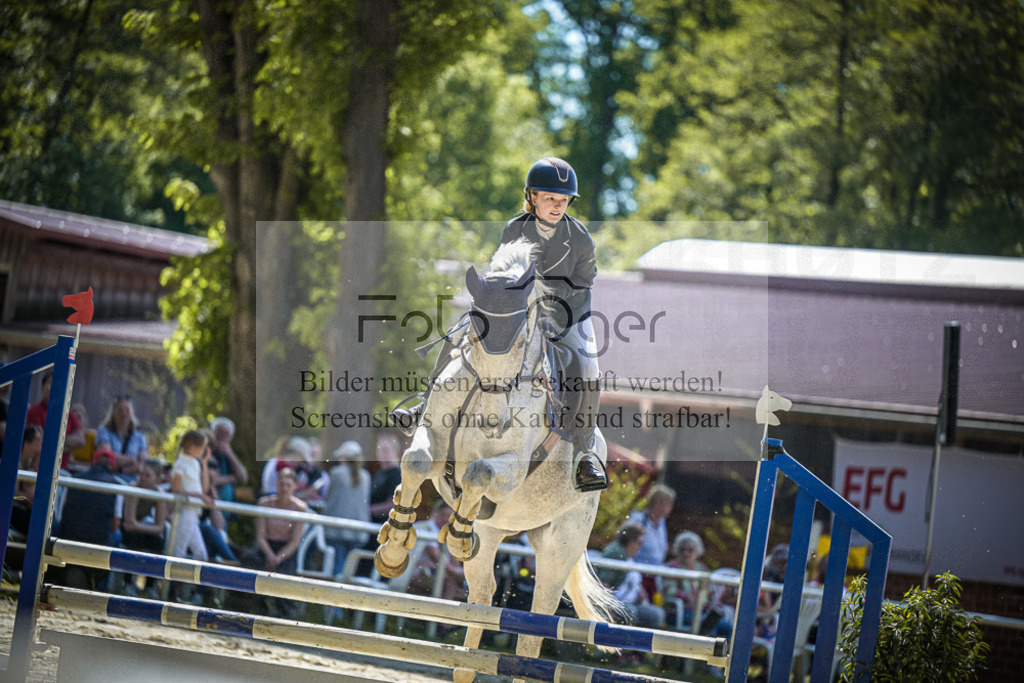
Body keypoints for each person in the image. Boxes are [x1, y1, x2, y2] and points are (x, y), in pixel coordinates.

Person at [392, 158, 606, 492]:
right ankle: (425, 404)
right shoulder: (514, 228)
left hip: (568, 313)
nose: (558, 206)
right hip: (518, 308)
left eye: (563, 200)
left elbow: (583, 282)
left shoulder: (580, 237)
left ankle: (584, 453)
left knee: (587, 366)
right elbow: (503, 270)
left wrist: (542, 299)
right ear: (532, 197)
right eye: (550, 198)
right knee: (460, 332)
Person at [57, 449, 122, 590]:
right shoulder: (118, 487)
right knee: (117, 535)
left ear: (92, 463)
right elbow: (115, 526)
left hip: (68, 540)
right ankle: (101, 585)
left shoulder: (74, 479)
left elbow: (60, 516)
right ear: (112, 467)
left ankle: (68, 574)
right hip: (98, 545)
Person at [254, 467, 307, 618]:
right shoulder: (264, 503)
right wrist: (270, 555)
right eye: (282, 484)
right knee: (253, 567)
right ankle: (257, 609)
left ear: (294, 487)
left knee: (284, 577)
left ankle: (284, 615)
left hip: (286, 550)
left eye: (288, 485)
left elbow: (294, 542)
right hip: (266, 547)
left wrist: (277, 558)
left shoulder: (300, 508)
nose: (284, 489)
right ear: (276, 484)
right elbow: (260, 536)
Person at [662, 531, 732, 638]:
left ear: (697, 552)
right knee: (709, 626)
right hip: (681, 611)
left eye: (690, 550)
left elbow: (711, 591)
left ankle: (726, 650)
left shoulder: (701, 568)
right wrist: (687, 597)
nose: (686, 553)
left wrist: (713, 603)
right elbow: (667, 589)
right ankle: (704, 648)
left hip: (703, 611)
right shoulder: (673, 566)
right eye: (682, 549)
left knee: (727, 627)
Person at [598, 521, 664, 629]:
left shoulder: (632, 557)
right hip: (617, 602)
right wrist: (609, 605)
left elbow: (632, 580)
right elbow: (603, 583)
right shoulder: (616, 553)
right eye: (639, 542)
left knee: (656, 615)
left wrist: (639, 590)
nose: (640, 546)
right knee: (631, 612)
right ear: (630, 541)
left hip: (634, 602)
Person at [121, 459, 170, 597]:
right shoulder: (133, 488)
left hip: (140, 526)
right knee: (134, 539)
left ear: (157, 479)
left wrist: (138, 526)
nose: (142, 478)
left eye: (147, 475)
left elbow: (160, 527)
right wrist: (139, 526)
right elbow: (128, 524)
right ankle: (128, 583)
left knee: (157, 541)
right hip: (126, 530)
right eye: (141, 474)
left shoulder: (159, 494)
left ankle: (150, 586)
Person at [322, 440, 371, 577]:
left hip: (337, 529)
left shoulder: (337, 473)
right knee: (350, 568)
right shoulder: (366, 476)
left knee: (337, 565)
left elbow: (329, 498)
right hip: (359, 531)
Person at [407, 499, 467, 602]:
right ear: (436, 513)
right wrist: (461, 575)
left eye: (450, 516)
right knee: (449, 579)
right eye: (443, 514)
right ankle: (444, 608)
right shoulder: (427, 528)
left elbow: (454, 563)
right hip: (413, 571)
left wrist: (458, 574)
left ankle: (443, 607)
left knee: (450, 578)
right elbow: (438, 559)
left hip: (434, 571)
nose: (446, 519)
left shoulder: (452, 533)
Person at [26, 370, 85, 470]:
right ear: (42, 388)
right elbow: (42, 441)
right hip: (40, 468)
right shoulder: (34, 411)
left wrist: (56, 442)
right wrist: (66, 445)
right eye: (49, 385)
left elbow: (81, 440)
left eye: (57, 386)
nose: (53, 389)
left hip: (63, 469)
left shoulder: (69, 414)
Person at [95, 395, 149, 476]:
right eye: (120, 410)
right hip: (106, 478)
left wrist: (120, 468)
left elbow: (143, 463)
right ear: (113, 413)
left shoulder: (140, 437)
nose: (124, 413)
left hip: (130, 481)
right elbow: (107, 458)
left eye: (127, 410)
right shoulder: (104, 431)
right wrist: (132, 460)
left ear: (132, 413)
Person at [207, 416, 249, 505]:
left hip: (229, 506)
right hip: (211, 504)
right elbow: (212, 480)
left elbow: (243, 478)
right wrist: (232, 478)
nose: (223, 436)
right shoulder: (207, 453)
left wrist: (230, 454)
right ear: (212, 433)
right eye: (220, 432)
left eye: (227, 433)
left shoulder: (228, 456)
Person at [10, 425, 43, 536]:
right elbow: (14, 494)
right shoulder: (16, 462)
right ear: (27, 443)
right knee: (38, 526)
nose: (41, 443)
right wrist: (34, 499)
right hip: (11, 509)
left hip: (23, 508)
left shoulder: (30, 463)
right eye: (38, 439)